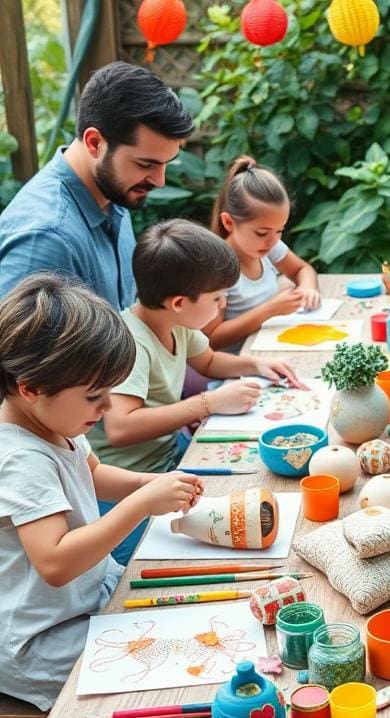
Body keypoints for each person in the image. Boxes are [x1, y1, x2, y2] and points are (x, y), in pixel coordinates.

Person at [0, 274, 203, 710]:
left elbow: (93, 472)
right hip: (44, 640)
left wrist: (149, 484)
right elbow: (54, 562)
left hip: (87, 596)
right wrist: (139, 505)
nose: (108, 406)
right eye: (95, 396)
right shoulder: (20, 458)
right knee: (171, 673)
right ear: (30, 388)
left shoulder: (54, 422)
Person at [88, 218, 304, 479]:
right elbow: (120, 428)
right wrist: (207, 403)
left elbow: (209, 362)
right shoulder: (130, 344)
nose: (223, 304)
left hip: (170, 452)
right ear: (179, 302)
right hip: (131, 476)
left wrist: (255, 364)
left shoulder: (176, 321)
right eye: (216, 297)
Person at [0, 62, 193, 309]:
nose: (160, 180)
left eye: (166, 164)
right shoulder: (47, 237)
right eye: (146, 164)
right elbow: (17, 346)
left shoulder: (112, 190)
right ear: (94, 143)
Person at [204, 157, 321, 352]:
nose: (273, 240)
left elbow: (302, 269)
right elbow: (211, 340)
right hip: (235, 371)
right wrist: (270, 310)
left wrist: (308, 288)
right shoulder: (218, 269)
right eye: (262, 233)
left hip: (270, 352)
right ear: (229, 223)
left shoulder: (269, 246)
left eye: (280, 230)